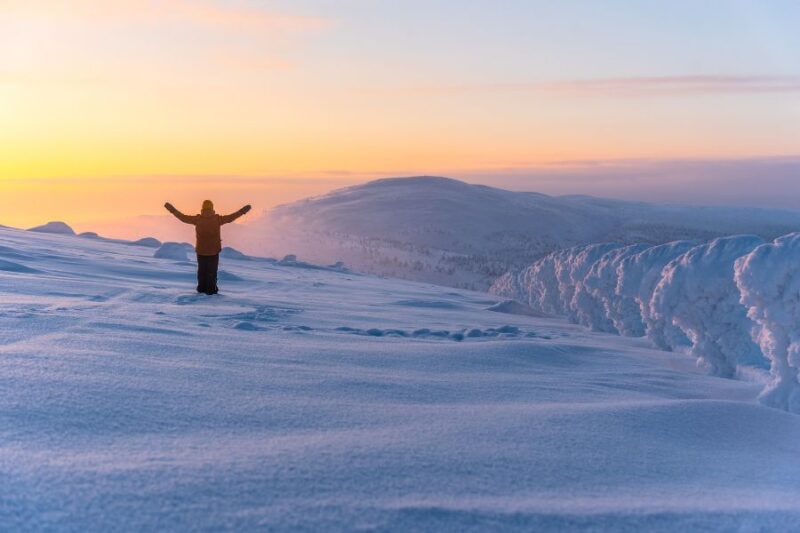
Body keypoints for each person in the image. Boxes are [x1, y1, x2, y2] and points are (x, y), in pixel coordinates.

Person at [164, 200, 252, 295]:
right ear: (212, 208)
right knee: (212, 271)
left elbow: (183, 218)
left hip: (201, 250)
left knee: (202, 271)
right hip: (214, 251)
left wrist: (172, 209)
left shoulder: (197, 219)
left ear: (202, 208)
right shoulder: (217, 219)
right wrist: (243, 211)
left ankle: (201, 289)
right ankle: (211, 290)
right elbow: (231, 217)